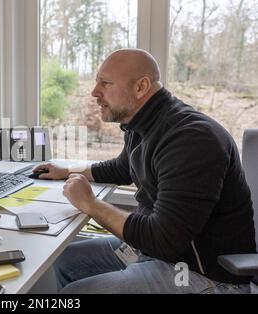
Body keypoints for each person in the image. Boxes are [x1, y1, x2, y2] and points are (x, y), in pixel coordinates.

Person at [34, 49, 256, 294]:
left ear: (141, 87)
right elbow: (122, 168)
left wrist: (90, 204)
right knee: (66, 261)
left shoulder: (191, 139)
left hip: (203, 274)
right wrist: (67, 170)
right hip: (161, 253)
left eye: (105, 83)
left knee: (74, 295)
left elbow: (162, 240)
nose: (95, 92)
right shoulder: (141, 124)